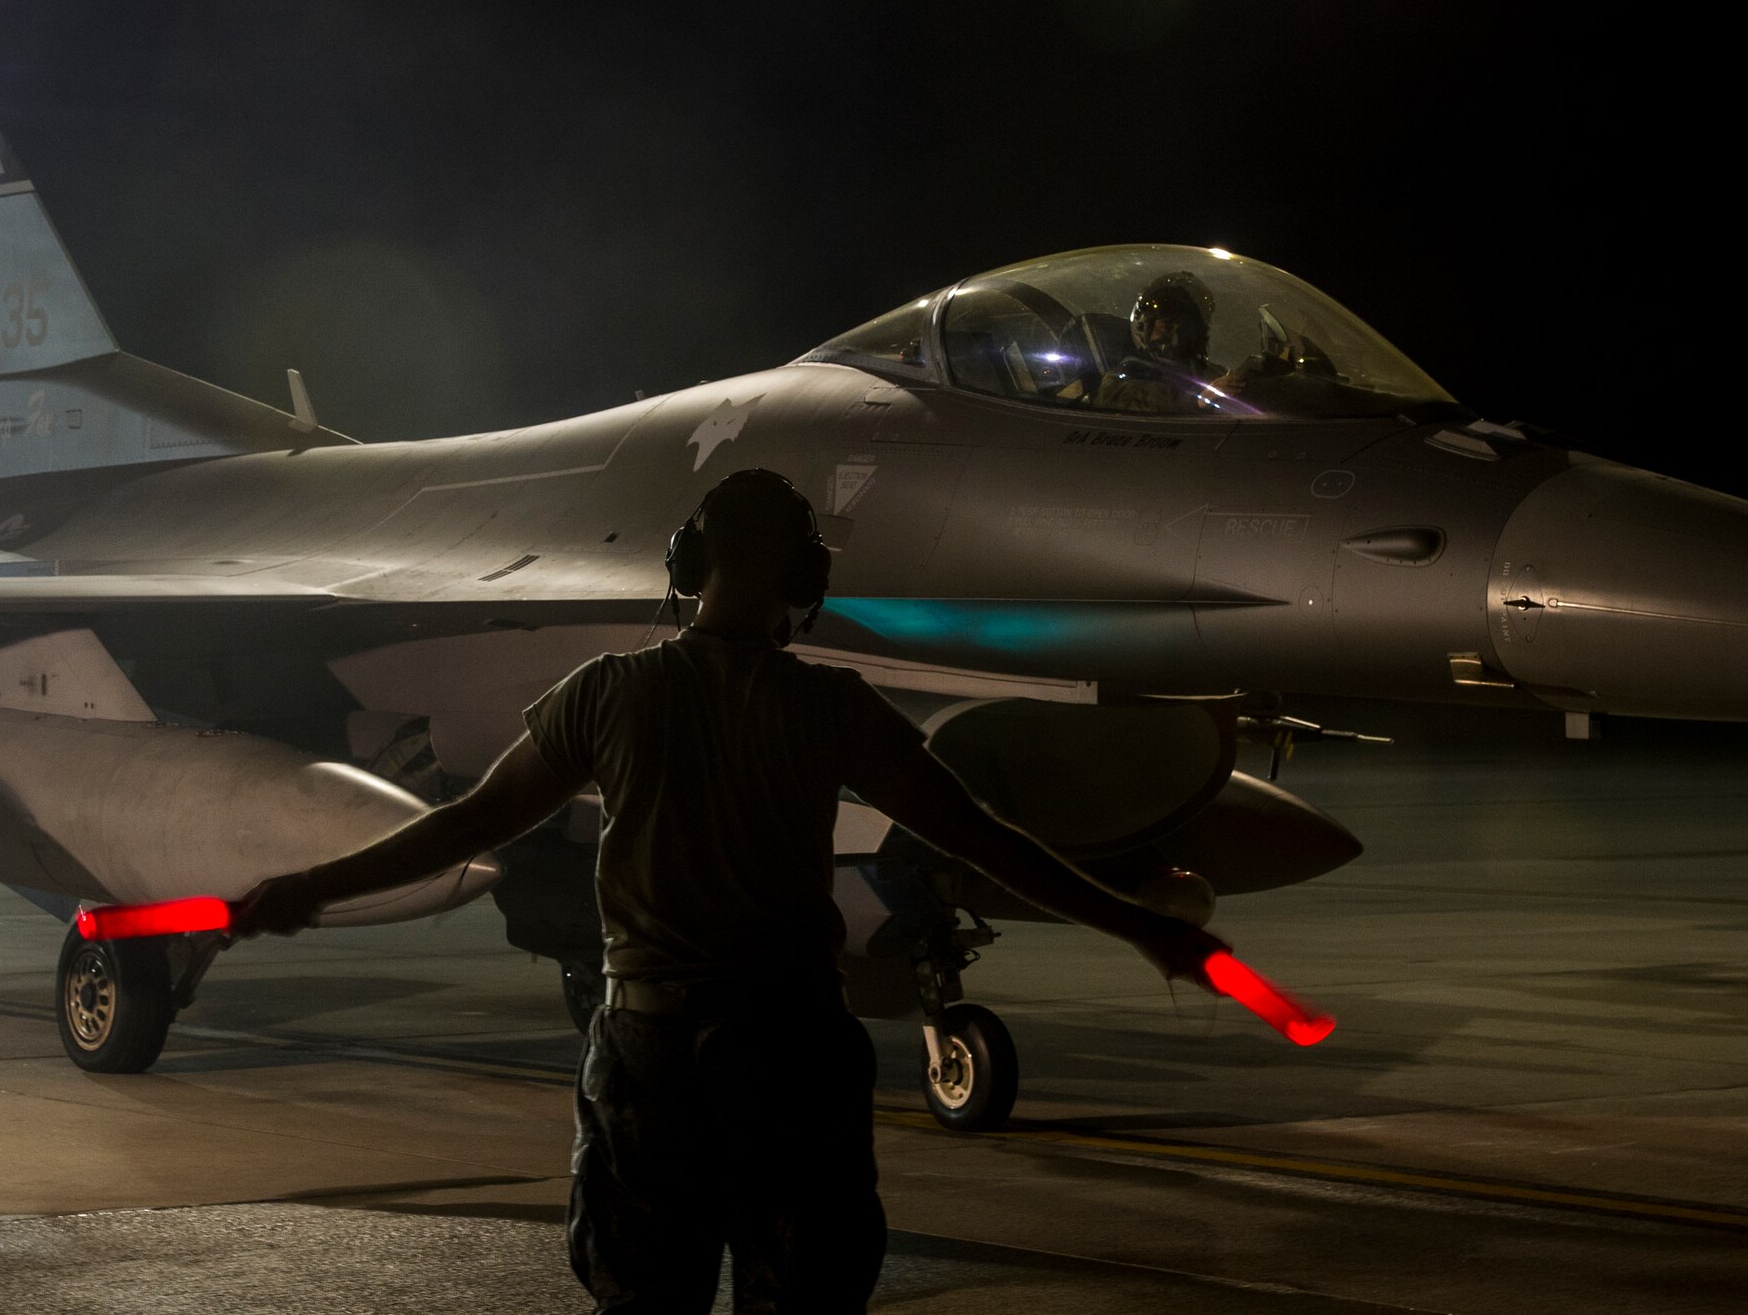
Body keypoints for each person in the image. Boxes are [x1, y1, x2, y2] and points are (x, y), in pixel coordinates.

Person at [234, 468, 1227, 1313]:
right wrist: (1134, 922)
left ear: (684, 567)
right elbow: (982, 838)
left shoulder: (605, 693)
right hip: (788, 1055)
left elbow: (465, 824)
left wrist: (301, 889)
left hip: (647, 1053)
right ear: (804, 580)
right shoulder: (830, 706)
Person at [1093, 270, 1243, 413]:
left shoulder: (1206, 372)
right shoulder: (1125, 375)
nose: (1177, 336)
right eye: (1168, 326)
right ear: (1143, 326)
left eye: (1186, 328)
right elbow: (1141, 401)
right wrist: (1200, 398)